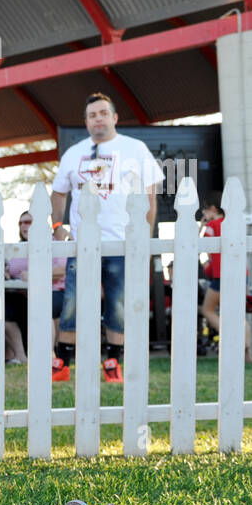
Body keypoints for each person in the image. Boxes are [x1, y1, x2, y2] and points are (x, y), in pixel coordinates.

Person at [49, 92, 163, 383]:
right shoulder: (74, 154)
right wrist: (58, 224)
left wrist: (145, 239)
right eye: (91, 115)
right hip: (83, 243)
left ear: (114, 117)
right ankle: (62, 364)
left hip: (122, 242)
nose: (97, 118)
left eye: (102, 113)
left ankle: (112, 362)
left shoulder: (135, 149)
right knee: (73, 302)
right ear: (86, 122)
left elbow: (150, 196)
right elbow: (59, 191)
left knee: (118, 304)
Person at [4, 211, 69, 366]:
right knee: (3, 309)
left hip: (53, 293)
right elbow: (12, 270)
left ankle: (50, 355)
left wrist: (35, 274)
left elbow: (62, 269)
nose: (23, 226)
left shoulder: (55, 243)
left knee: (44, 306)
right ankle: (20, 357)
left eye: (28, 222)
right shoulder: (18, 248)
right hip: (23, 294)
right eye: (21, 223)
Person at [199, 198, 252, 363]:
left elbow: (200, 245)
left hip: (221, 275)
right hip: (240, 274)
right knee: (238, 314)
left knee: (208, 310)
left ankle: (232, 338)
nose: (203, 214)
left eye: (205, 211)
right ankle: (247, 351)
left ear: (213, 209)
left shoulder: (212, 226)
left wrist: (202, 225)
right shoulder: (234, 223)